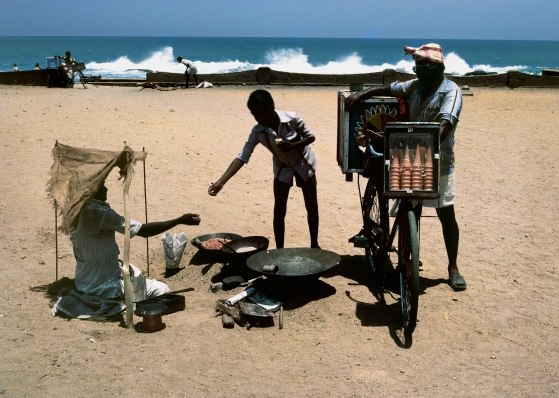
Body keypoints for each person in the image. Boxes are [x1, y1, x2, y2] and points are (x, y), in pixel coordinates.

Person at [345, 43, 466, 291]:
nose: (417, 71)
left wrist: (426, 142)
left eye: (421, 67)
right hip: (408, 158)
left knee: (446, 214)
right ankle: (408, 258)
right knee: (413, 210)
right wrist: (362, 95)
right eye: (416, 67)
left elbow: (446, 125)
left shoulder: (450, 91)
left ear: (436, 67)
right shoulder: (416, 85)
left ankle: (453, 267)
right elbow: (389, 88)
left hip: (438, 161)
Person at [52, 181, 200, 318]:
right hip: (102, 286)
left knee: (133, 269)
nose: (106, 189)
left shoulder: (76, 210)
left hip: (84, 281)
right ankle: (131, 302)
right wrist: (180, 220)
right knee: (162, 290)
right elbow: (142, 231)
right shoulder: (98, 212)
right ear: (92, 190)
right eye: (102, 186)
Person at [209, 89, 320, 249]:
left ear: (271, 107)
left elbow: (311, 137)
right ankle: (279, 249)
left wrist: (293, 146)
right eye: (253, 114)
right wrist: (221, 182)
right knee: (279, 210)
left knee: (311, 206)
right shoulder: (258, 131)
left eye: (259, 113)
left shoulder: (293, 118)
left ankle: (314, 244)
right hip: (282, 168)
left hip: (304, 164)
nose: (256, 118)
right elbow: (242, 156)